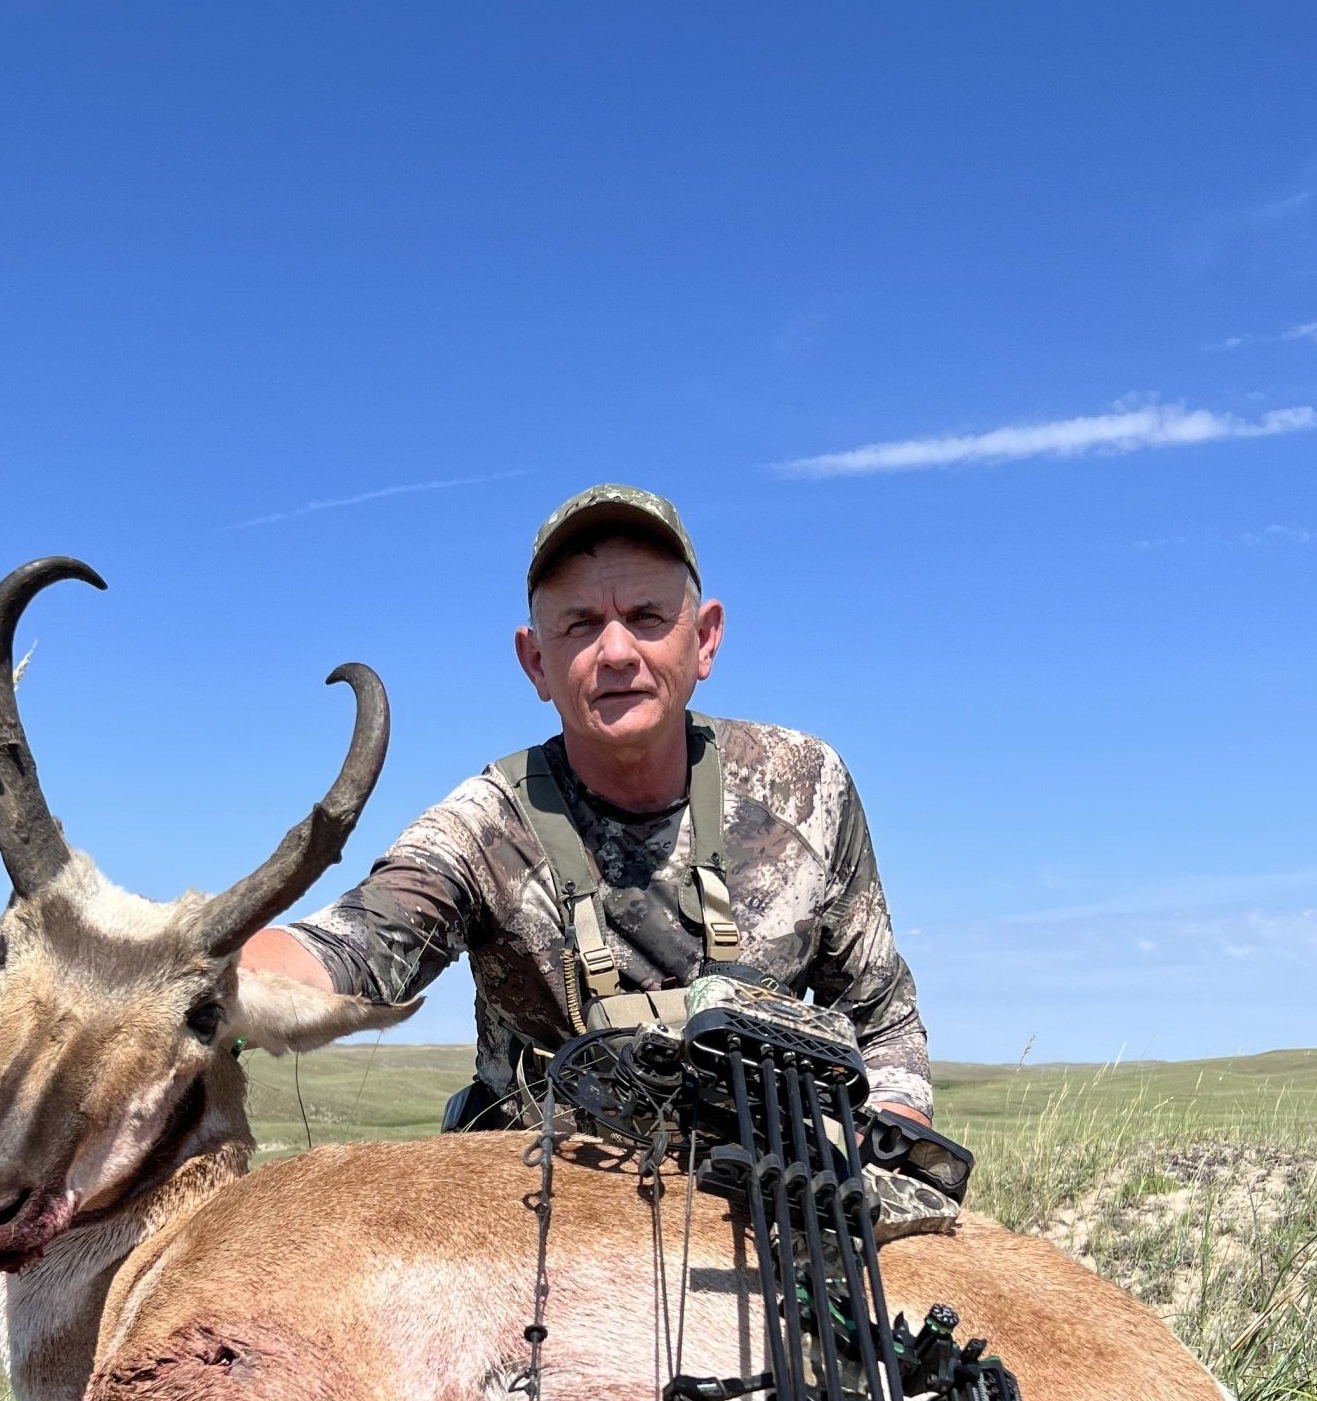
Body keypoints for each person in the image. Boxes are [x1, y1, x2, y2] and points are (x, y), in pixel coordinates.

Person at [241, 484, 931, 1130]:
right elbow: (352, 944)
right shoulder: (486, 824)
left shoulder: (805, 787)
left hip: (763, 1191)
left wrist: (887, 1165)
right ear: (536, 662)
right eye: (579, 624)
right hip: (534, 1191)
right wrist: (207, 975)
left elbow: (882, 1022)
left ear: (706, 639)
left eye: (646, 617)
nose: (616, 652)